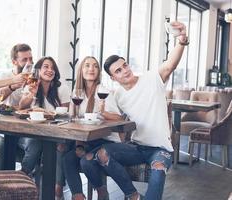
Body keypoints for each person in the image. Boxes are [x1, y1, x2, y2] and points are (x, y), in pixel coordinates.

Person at [80, 21, 189, 200]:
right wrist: (105, 114)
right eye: (118, 70)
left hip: (160, 149)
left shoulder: (152, 78)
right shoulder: (118, 95)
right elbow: (119, 119)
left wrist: (182, 40)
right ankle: (133, 196)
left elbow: (170, 65)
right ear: (113, 77)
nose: (125, 71)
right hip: (136, 148)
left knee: (158, 169)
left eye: (125, 66)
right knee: (98, 155)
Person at [63, 56, 122, 200]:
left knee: (85, 160)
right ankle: (78, 195)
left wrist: (103, 113)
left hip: (105, 141)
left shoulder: (103, 91)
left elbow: (118, 118)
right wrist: (79, 144)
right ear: (81, 70)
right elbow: (73, 119)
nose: (91, 69)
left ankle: (101, 189)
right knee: (67, 158)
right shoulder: (77, 93)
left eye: (95, 66)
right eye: (87, 65)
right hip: (86, 141)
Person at [19, 56, 70, 200]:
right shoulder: (31, 84)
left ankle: (56, 188)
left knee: (58, 147)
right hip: (29, 132)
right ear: (38, 70)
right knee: (35, 144)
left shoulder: (62, 88)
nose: (50, 70)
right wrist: (32, 94)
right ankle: (24, 178)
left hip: (54, 133)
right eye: (46, 67)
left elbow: (64, 115)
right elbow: (22, 106)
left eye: (52, 68)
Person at [0, 43, 35, 171]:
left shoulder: (34, 78)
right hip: (4, 129)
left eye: (30, 59)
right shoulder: (4, 77)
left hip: (27, 130)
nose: (29, 63)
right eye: (24, 59)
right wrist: (13, 86)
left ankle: (22, 178)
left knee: (34, 145)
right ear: (14, 61)